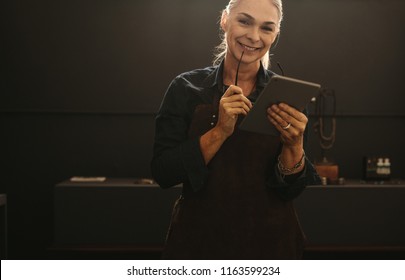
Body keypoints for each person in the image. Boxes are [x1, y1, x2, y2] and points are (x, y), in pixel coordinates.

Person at [151, 0, 321, 260]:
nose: (254, 36)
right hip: (198, 245)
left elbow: (290, 190)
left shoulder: (288, 98)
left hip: (273, 247)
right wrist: (219, 131)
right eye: (244, 21)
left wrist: (294, 144)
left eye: (267, 28)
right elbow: (164, 173)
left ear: (275, 34)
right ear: (224, 20)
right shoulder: (185, 88)